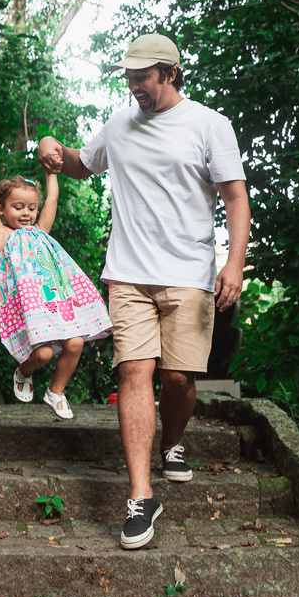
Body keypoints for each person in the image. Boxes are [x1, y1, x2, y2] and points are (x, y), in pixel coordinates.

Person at [38, 33, 250, 550]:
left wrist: (235, 263)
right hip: (128, 273)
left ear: (170, 73)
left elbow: (236, 197)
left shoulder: (208, 125)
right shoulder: (119, 124)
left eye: (142, 78)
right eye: (128, 78)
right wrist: (51, 149)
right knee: (134, 371)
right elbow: (80, 163)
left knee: (177, 378)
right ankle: (140, 496)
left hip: (189, 274)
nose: (134, 87)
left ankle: (172, 443)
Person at [0, 169, 112, 419]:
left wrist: (52, 173)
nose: (26, 213)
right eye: (18, 207)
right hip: (30, 309)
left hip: (57, 304)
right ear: (1, 210)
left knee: (76, 342)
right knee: (43, 354)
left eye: (31, 207)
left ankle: (56, 391)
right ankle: (25, 371)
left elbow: (52, 200)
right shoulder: (3, 236)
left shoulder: (41, 231)